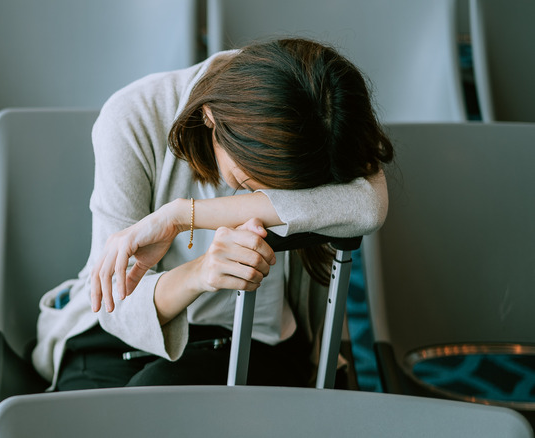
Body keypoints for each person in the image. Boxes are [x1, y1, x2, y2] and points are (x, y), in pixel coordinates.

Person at [31, 38, 393, 391]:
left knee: (147, 413)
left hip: (247, 334)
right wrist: (199, 273)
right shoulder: (133, 117)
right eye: (248, 180)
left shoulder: (314, 114)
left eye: (274, 194)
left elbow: (367, 205)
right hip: (118, 332)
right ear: (210, 117)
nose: (259, 196)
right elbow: (115, 304)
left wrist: (182, 216)